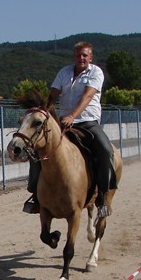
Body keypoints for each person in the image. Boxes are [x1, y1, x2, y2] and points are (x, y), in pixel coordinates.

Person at [23, 41, 117, 217]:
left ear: (90, 57)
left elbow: (88, 95)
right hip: (63, 124)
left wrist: (73, 116)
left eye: (85, 55)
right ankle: (36, 196)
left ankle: (103, 197)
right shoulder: (64, 72)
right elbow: (53, 95)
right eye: (78, 55)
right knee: (36, 151)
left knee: (105, 150)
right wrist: (43, 110)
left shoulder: (96, 72)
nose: (81, 58)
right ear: (74, 57)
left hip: (87, 122)